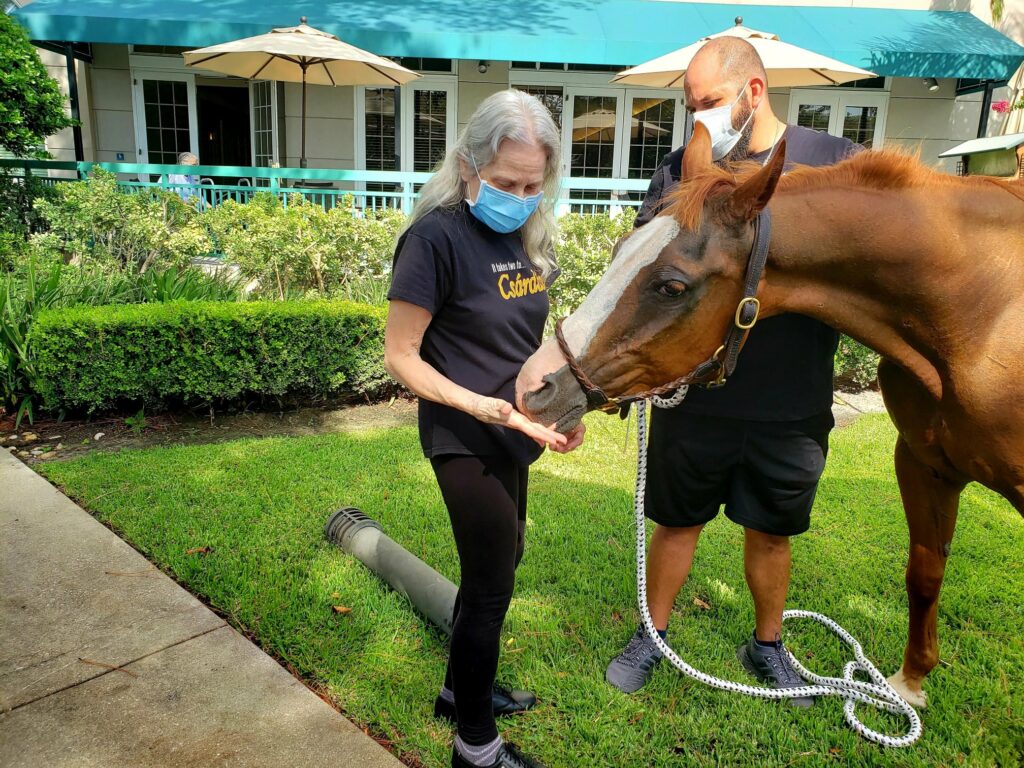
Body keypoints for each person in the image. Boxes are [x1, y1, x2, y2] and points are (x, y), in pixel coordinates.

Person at [605, 37, 863, 706]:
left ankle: (768, 643)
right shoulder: (681, 169)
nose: (700, 119)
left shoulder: (833, 163)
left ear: (754, 91)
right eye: (691, 106)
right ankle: (651, 635)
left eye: (711, 103)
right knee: (676, 522)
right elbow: (643, 261)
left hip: (791, 397)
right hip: (695, 394)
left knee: (772, 533)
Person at [384, 90, 585, 768]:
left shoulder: (527, 234)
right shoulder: (434, 237)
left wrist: (557, 412)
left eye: (533, 185)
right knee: (494, 584)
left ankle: (457, 689)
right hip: (464, 434)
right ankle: (476, 747)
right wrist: (481, 407)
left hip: (513, 430)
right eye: (505, 183)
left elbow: (523, 346)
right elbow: (400, 356)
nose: (521, 196)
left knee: (502, 562)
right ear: (467, 165)